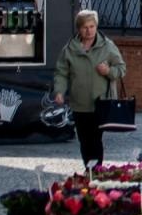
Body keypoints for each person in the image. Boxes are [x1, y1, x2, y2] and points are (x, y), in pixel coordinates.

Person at [51, 9, 126, 168]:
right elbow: (62, 73)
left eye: (92, 26)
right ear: (79, 28)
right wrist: (59, 91)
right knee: (84, 140)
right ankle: (88, 168)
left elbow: (121, 69)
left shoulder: (107, 46)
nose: (89, 30)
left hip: (100, 102)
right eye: (85, 27)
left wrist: (108, 71)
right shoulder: (70, 49)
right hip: (79, 103)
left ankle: (96, 170)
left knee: (95, 139)